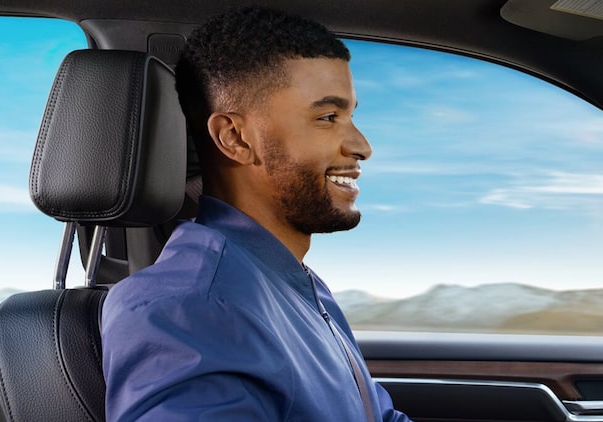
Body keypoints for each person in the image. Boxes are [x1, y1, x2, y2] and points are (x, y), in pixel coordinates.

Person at [101, 6, 410, 421]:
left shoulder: (296, 282)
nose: (361, 145)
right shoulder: (189, 308)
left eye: (351, 116)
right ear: (235, 138)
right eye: (328, 117)